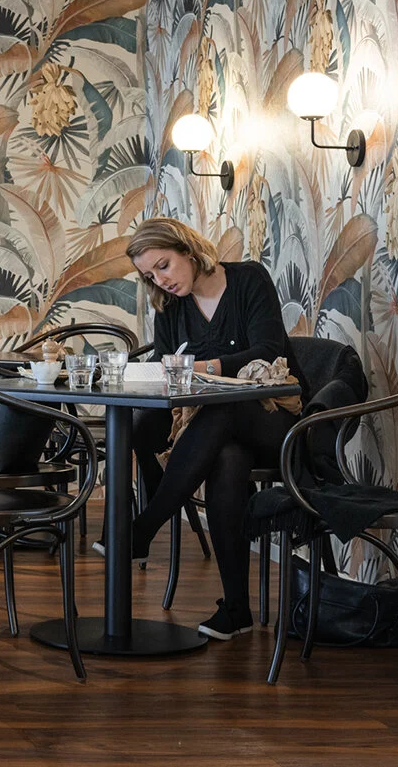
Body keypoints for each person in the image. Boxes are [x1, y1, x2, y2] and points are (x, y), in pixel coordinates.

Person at [126, 218, 309, 641]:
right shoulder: (170, 306)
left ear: (188, 250)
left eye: (163, 265)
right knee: (223, 456)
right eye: (150, 275)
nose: (160, 280)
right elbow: (166, 368)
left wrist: (198, 368)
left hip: (277, 420)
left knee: (222, 410)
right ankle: (237, 610)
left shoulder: (248, 280)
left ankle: (145, 526)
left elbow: (268, 350)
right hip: (218, 433)